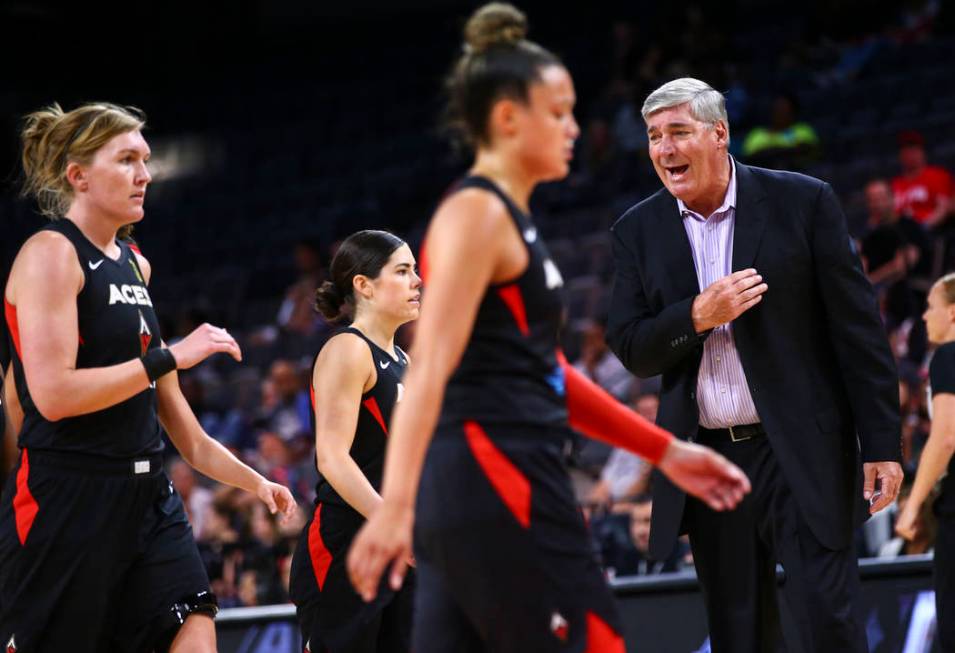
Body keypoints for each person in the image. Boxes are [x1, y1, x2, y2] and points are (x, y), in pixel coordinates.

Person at [346, 7, 749, 653]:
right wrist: (395, 506)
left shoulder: (508, 215)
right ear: (508, 118)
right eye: (558, 113)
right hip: (495, 473)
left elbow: (544, 370)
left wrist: (664, 450)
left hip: (490, 474)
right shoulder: (475, 214)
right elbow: (430, 367)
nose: (573, 128)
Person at [606, 77, 903, 652]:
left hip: (801, 449)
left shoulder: (802, 200)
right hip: (712, 460)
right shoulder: (637, 231)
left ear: (719, 134)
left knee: (827, 623)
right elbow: (633, 348)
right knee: (739, 633)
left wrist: (884, 443)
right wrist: (696, 315)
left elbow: (859, 331)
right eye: (653, 137)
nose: (664, 150)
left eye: (678, 133)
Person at [0, 102, 296, 653]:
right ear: (78, 175)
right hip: (68, 497)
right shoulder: (50, 254)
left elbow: (184, 431)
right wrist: (169, 357)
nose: (145, 175)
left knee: (196, 628)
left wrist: (255, 483)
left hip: (149, 495)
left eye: (147, 160)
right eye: (128, 159)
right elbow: (53, 395)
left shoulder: (137, 263)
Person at [289, 230, 420, 653]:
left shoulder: (405, 361)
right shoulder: (348, 348)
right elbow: (332, 458)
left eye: (415, 270)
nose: (418, 280)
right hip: (346, 540)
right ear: (363, 285)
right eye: (403, 271)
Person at [896, 272, 955, 650]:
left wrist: (912, 505)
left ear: (952, 313)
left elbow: (946, 436)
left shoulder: (949, 354)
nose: (923, 317)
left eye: (931, 306)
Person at [892, 130, 953, 229]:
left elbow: (944, 208)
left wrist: (923, 228)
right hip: (901, 235)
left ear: (922, 152)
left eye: (913, 150)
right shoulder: (895, 183)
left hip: (931, 231)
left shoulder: (937, 175)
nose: (909, 154)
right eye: (905, 150)